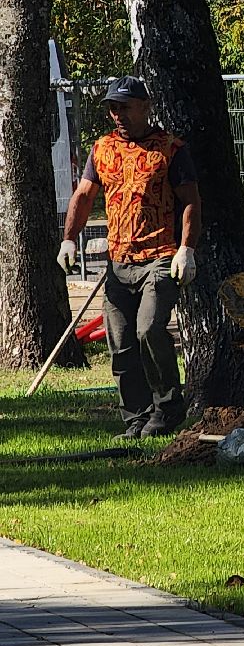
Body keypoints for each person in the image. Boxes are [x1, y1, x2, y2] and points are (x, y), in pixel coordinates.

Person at [56, 77, 202, 439]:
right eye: (112, 108)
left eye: (124, 107)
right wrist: (69, 239)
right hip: (119, 261)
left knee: (148, 329)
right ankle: (136, 417)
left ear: (145, 107)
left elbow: (191, 202)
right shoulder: (102, 149)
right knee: (120, 341)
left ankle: (167, 408)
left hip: (160, 257)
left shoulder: (170, 149)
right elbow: (84, 196)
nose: (117, 115)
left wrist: (186, 249)